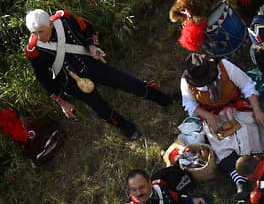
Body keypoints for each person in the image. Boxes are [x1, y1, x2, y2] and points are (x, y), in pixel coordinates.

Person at [24, 9, 177, 139]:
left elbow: (87, 29)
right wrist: (62, 102)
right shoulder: (33, 50)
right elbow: (44, 79)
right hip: (73, 83)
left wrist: (92, 47)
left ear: (50, 24)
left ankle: (165, 99)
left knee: (131, 84)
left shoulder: (63, 18)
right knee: (102, 109)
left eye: (41, 31)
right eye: (34, 33)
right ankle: (125, 127)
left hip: (92, 65)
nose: (38, 36)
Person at [180, 52, 264, 201]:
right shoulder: (186, 82)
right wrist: (208, 116)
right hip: (213, 115)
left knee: (247, 132)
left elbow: (247, 85)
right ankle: (240, 183)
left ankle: (255, 171)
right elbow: (190, 104)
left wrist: (257, 110)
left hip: (236, 106)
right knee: (220, 142)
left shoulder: (224, 67)